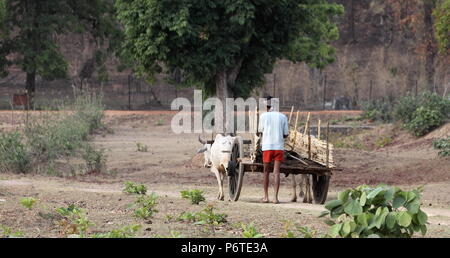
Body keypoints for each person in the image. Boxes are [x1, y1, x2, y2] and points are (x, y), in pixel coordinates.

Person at [257, 96, 289, 204]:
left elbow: (260, 131)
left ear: (267, 106)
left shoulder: (263, 116)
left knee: (266, 172)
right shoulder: (283, 116)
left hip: (267, 147)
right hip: (279, 147)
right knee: (276, 173)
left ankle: (265, 197)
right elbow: (285, 134)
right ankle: (275, 198)